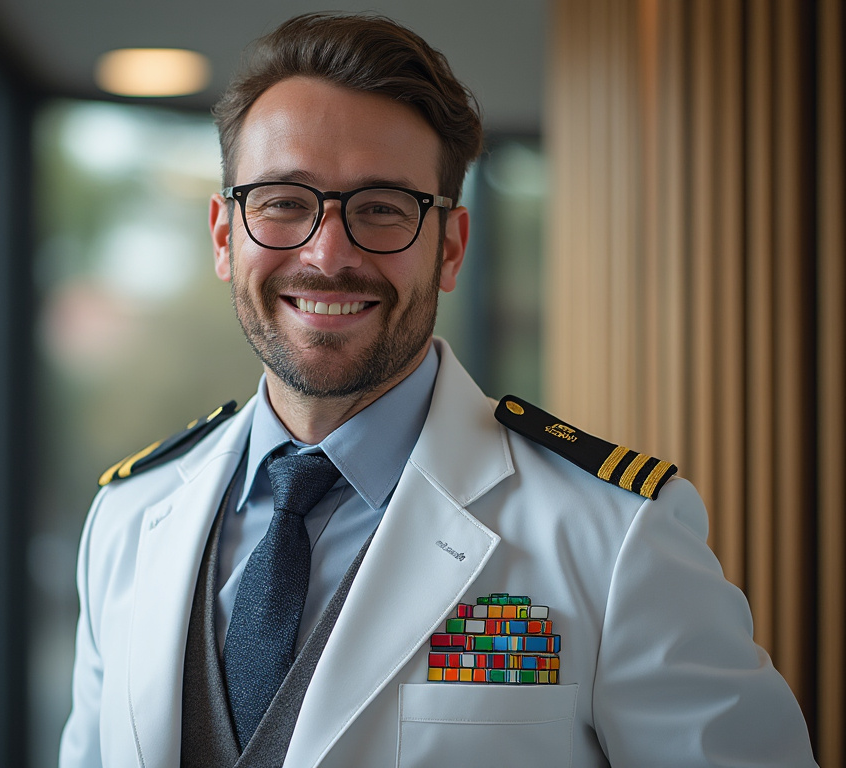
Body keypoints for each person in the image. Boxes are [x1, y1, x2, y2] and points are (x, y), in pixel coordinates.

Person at [59, 12, 816, 768]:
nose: (327, 256)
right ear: (226, 237)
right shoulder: (127, 521)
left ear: (449, 249)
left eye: (383, 208)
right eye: (284, 202)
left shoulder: (616, 539)